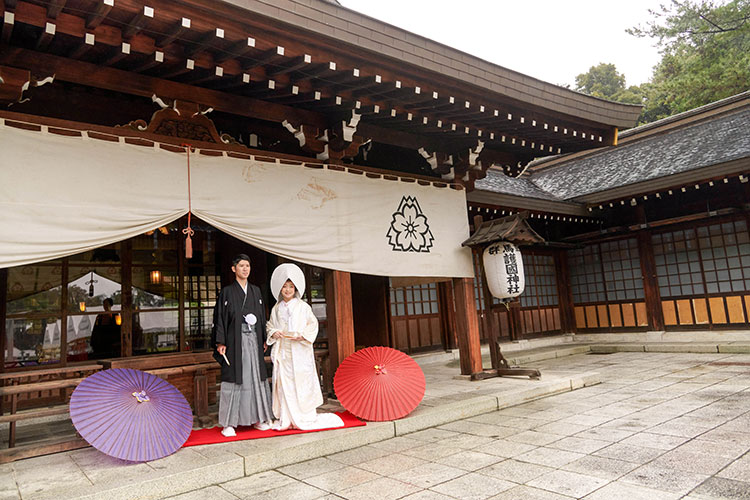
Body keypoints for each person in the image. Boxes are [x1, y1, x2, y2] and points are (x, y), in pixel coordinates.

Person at [266, 263, 344, 431]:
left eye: (291, 287)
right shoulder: (276, 309)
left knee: (301, 382)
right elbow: (270, 326)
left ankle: (304, 415)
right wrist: (274, 333)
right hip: (284, 352)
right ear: (280, 289)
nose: (287, 290)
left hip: (300, 349)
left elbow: (312, 324)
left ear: (295, 289)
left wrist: (303, 335)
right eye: (285, 287)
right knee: (285, 384)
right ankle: (287, 417)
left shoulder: (303, 307)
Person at [212, 254, 274, 437]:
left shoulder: (255, 291)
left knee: (255, 377)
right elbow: (220, 318)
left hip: (253, 339)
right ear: (234, 269)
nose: (245, 269)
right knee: (235, 378)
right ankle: (229, 423)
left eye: (247, 265)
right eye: (241, 266)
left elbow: (262, 317)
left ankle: (258, 418)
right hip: (234, 341)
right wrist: (220, 342)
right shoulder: (227, 292)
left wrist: (263, 338)